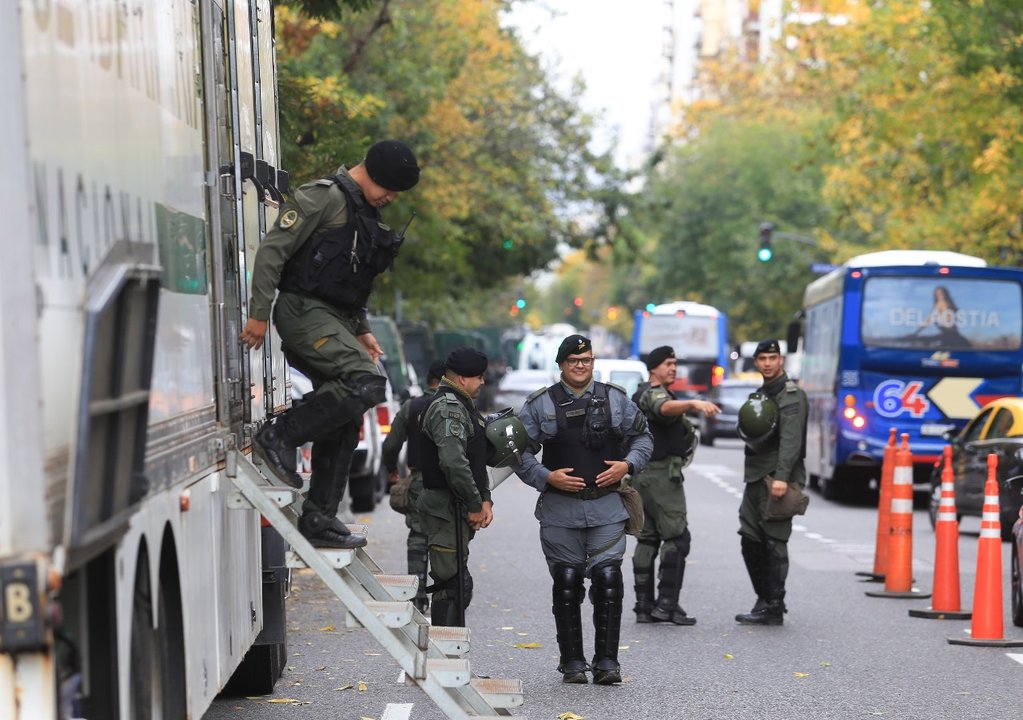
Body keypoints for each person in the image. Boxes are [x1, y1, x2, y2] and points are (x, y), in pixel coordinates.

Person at [239, 140, 420, 549]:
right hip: (303, 311)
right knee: (366, 383)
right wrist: (258, 314)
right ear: (370, 171)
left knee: (346, 415)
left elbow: (348, 282)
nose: (391, 197)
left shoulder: (363, 212)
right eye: (389, 187)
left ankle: (320, 517)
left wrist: (363, 328)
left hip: (335, 317)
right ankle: (279, 435)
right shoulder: (322, 197)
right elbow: (273, 251)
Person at [515, 334, 653, 686]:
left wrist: (628, 466)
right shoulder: (541, 405)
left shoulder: (615, 401)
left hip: (607, 507)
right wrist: (546, 477)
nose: (581, 366)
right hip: (561, 510)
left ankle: (608, 662)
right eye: (575, 361)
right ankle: (572, 662)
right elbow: (517, 450)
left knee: (608, 579)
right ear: (561, 364)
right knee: (567, 581)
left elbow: (643, 437)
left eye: (587, 360)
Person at [631, 346, 721, 625]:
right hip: (660, 478)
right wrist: (694, 404)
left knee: (648, 538)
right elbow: (663, 407)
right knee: (677, 538)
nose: (673, 368)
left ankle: (644, 606)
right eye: (668, 364)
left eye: (674, 363)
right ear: (654, 368)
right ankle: (666, 604)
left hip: (643, 477)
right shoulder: (654, 393)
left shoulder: (640, 392)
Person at [418, 347, 493, 627]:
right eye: (479, 377)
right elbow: (453, 462)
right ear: (463, 378)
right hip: (445, 509)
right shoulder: (449, 408)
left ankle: (451, 665)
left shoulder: (460, 405)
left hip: (454, 506)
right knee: (451, 587)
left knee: (456, 584)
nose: (482, 382)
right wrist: (475, 503)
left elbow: (475, 457)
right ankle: (444, 664)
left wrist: (483, 499)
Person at [734, 339, 808, 626]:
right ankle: (763, 598)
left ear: (781, 361)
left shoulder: (791, 395)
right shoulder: (762, 392)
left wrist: (782, 478)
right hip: (755, 476)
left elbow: (791, 440)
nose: (767, 363)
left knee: (775, 541)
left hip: (775, 478)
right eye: (762, 358)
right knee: (750, 539)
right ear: (756, 362)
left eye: (772, 358)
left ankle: (774, 605)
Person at [382, 359, 447, 612]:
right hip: (452, 480)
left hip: (420, 480)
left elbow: (390, 446)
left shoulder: (412, 407)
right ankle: (445, 591)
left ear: (429, 380)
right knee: (447, 536)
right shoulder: (459, 406)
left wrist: (391, 470)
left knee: (418, 536)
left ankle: (418, 594)